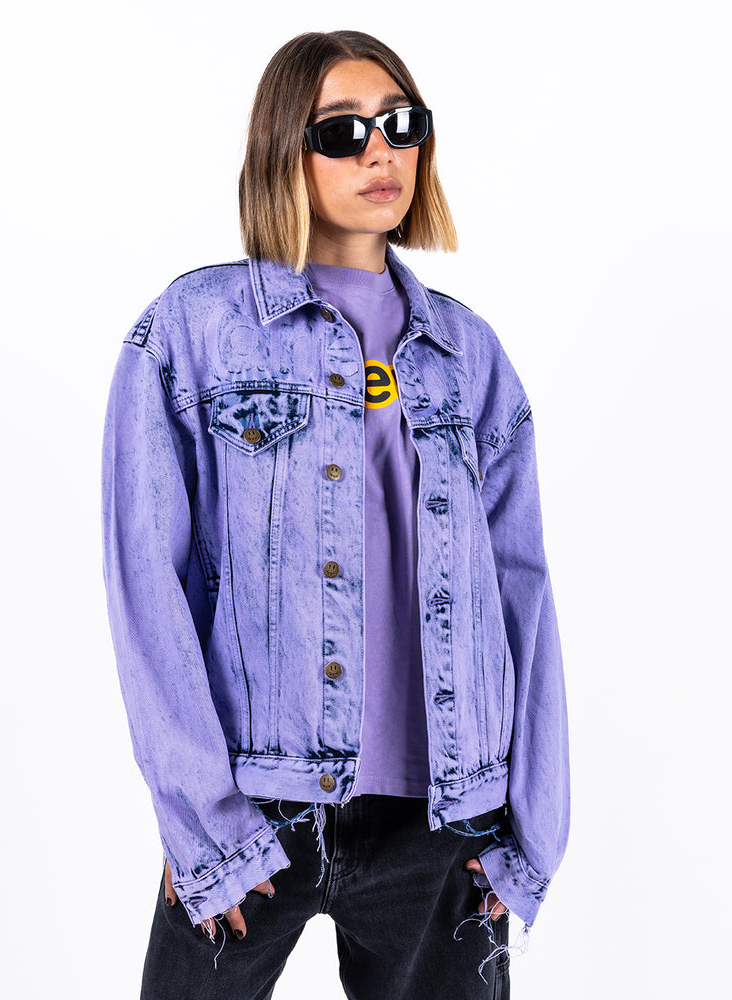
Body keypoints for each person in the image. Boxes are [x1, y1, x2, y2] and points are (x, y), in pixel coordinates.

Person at [102, 29, 569, 1000]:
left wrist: (531, 827)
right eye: (343, 131)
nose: (379, 151)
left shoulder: (468, 354)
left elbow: (521, 594)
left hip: (445, 821)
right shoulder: (193, 332)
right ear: (284, 148)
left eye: (400, 125)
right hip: (252, 812)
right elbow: (147, 583)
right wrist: (202, 825)